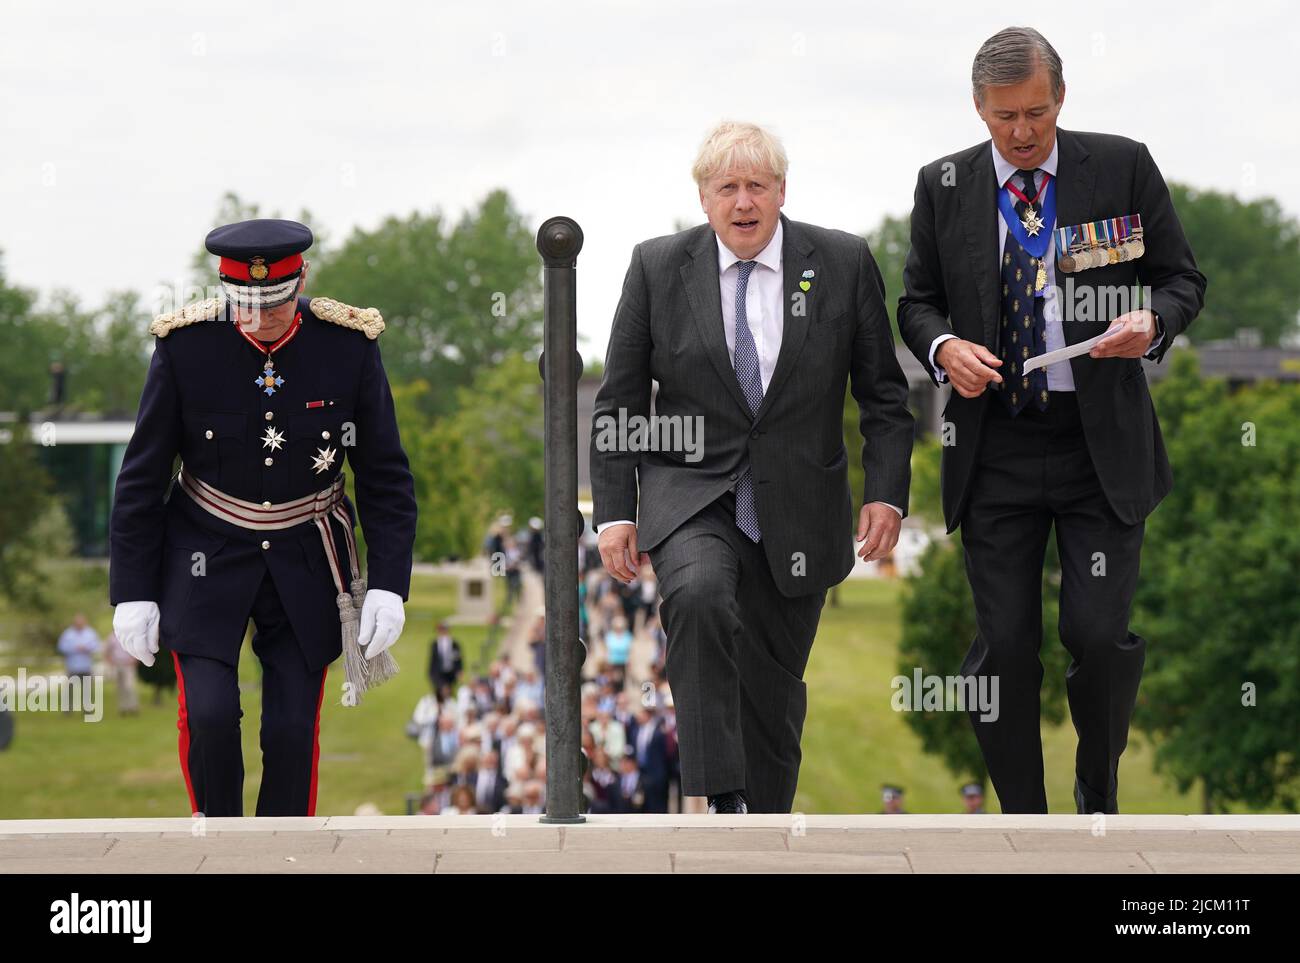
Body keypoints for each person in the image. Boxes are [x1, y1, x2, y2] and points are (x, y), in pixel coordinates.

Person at [897, 28, 1206, 814]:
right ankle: (1026, 823)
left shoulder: (1122, 165)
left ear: (1061, 99)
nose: (1023, 132)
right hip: (994, 446)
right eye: (1005, 117)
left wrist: (1152, 321)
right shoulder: (944, 185)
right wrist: (941, 346)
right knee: (1003, 649)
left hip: (1097, 448)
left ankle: (1096, 791)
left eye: (1037, 112)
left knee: (1098, 638)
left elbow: (1181, 278)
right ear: (979, 108)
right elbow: (915, 300)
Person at [590, 121, 914, 813]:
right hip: (690, 494)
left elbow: (885, 393)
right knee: (700, 595)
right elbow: (618, 399)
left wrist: (887, 493)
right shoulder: (655, 267)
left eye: (756, 186)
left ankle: (761, 832)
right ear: (703, 198)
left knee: (772, 693)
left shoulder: (843, 262)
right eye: (727, 187)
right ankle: (721, 791)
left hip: (801, 508)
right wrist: (616, 510)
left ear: (781, 191)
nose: (743, 202)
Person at [109, 218, 418, 817]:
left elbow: (385, 477)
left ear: (301, 282)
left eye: (274, 305)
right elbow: (142, 476)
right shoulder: (185, 346)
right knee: (211, 716)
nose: (259, 318)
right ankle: (218, 844)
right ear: (226, 292)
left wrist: (387, 584)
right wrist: (132, 590)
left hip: (306, 556)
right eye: (244, 305)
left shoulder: (347, 345)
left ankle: (284, 854)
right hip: (204, 553)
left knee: (290, 729)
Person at [56, 614, 100, 713]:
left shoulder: (90, 633)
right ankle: (67, 709)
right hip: (72, 666)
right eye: (77, 622)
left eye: (81, 622)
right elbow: (61, 647)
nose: (79, 624)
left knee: (87, 690)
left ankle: (87, 709)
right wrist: (74, 648)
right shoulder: (67, 634)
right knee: (70, 690)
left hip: (86, 666)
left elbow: (97, 646)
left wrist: (87, 648)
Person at [103, 630, 140, 715]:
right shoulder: (111, 637)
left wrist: (135, 660)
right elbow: (106, 651)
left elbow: (137, 649)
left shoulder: (129, 636)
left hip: (128, 664)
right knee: (120, 687)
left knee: (129, 686)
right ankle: (123, 707)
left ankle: (133, 706)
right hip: (117, 664)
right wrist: (110, 661)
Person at [427, 621, 464, 693]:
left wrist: (459, 671)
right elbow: (432, 661)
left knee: (450, 693)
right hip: (439, 673)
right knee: (441, 691)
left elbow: (458, 659)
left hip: (451, 673)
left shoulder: (455, 644)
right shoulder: (434, 644)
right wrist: (431, 674)